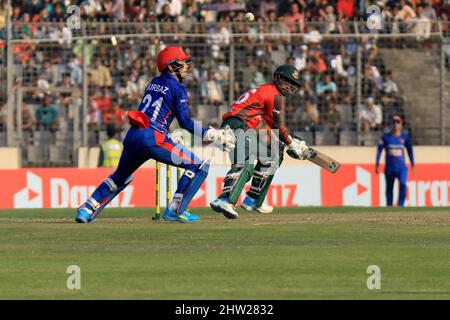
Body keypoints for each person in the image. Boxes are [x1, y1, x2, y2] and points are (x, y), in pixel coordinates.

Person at [76, 46, 235, 224]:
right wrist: (211, 135)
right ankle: (176, 210)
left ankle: (86, 209)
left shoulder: (154, 82)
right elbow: (186, 123)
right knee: (197, 166)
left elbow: (155, 111)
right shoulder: (178, 88)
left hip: (134, 135)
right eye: (182, 63)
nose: (186, 67)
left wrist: (168, 132)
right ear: (172, 65)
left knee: (120, 176)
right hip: (153, 137)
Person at [210, 64, 309, 219]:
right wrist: (292, 143)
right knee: (245, 162)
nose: (289, 87)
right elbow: (277, 125)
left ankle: (254, 199)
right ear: (277, 77)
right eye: (287, 81)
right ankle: (224, 200)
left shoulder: (266, 91)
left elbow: (269, 128)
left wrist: (289, 141)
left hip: (242, 126)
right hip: (236, 126)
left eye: (293, 85)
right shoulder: (274, 95)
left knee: (275, 151)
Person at [375, 115, 415, 207]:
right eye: (394, 122)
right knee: (389, 188)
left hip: (401, 167)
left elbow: (410, 151)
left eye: (398, 122)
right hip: (389, 167)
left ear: (401, 124)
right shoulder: (386, 137)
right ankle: (389, 207)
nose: (396, 124)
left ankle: (400, 205)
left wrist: (413, 164)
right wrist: (377, 164)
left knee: (403, 184)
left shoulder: (405, 137)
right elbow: (379, 151)